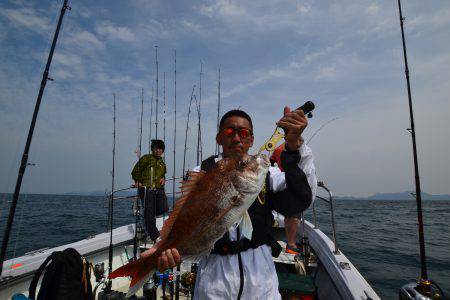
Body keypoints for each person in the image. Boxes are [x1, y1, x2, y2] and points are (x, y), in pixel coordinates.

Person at [144, 106, 315, 299]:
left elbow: (302, 198)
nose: (236, 138)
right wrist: (161, 251)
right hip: (214, 280)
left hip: (261, 278)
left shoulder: (264, 172)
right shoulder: (202, 172)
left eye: (243, 133)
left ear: (251, 140)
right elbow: (184, 216)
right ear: (219, 139)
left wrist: (295, 146)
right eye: (229, 132)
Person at [270, 142, 317, 255]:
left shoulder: (278, 151)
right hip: (288, 196)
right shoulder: (290, 153)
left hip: (279, 193)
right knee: (294, 213)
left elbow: (272, 163)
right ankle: (291, 245)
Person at [131, 139, 168, 242]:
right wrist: (137, 181)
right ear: (152, 149)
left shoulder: (162, 163)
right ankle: (155, 236)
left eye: (160, 149)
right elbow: (135, 171)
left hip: (159, 190)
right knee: (149, 213)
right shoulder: (146, 158)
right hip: (147, 189)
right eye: (156, 148)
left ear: (163, 150)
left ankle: (148, 216)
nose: (158, 151)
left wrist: (163, 179)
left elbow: (163, 174)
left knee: (164, 208)